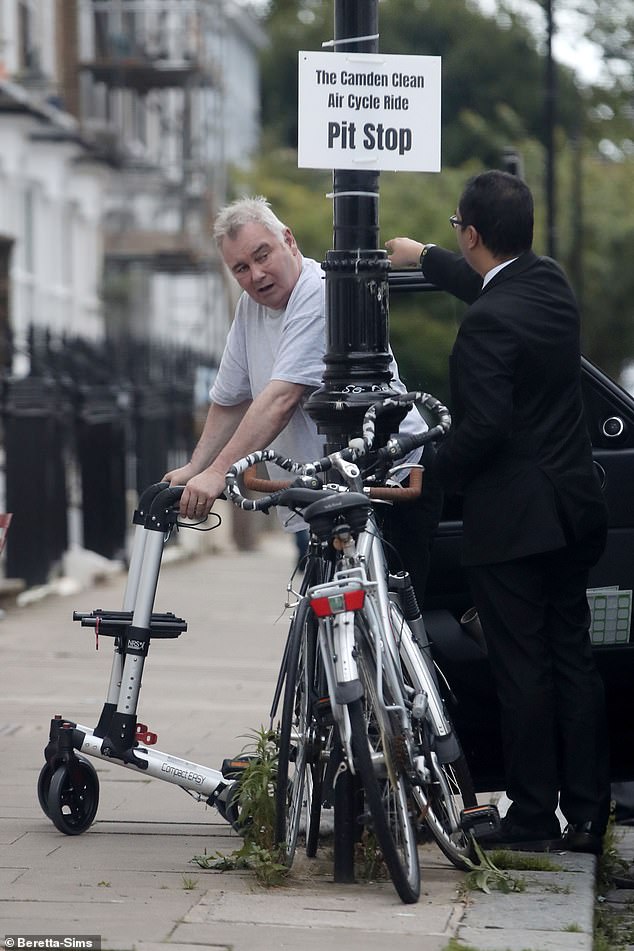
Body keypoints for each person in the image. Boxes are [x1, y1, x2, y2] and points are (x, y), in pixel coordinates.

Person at [386, 170, 610, 855]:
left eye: (460, 230)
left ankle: (534, 818)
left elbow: (480, 431)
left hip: (514, 524)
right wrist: (425, 255)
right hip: (573, 510)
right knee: (572, 659)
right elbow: (486, 281)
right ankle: (589, 814)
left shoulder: (485, 325)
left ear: (475, 232)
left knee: (522, 670)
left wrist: (424, 473)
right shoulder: (550, 286)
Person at [165, 195, 440, 601]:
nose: (256, 275)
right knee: (324, 620)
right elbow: (229, 400)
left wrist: (216, 472)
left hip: (389, 478)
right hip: (322, 487)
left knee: (389, 620)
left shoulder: (320, 292)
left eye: (263, 255)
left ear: (289, 241)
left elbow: (279, 400)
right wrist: (195, 466)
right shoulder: (250, 308)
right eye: (241, 267)